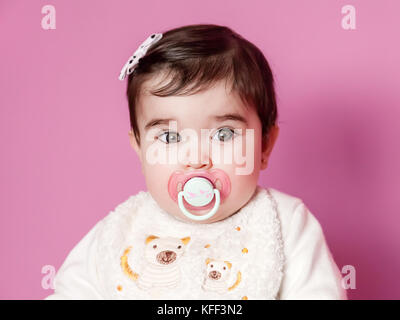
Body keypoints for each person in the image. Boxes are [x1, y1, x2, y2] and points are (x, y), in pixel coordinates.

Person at [45, 24, 346, 300]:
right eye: (170, 138)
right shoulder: (121, 230)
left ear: (265, 144)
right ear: (139, 150)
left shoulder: (286, 223)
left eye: (224, 133)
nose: (196, 159)